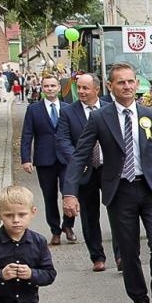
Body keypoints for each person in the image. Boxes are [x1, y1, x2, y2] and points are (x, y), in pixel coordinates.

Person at [60, 64, 152, 303]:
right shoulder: (101, 118)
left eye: (130, 82)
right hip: (120, 190)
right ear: (110, 87)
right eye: (121, 83)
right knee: (129, 249)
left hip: (151, 190)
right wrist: (69, 192)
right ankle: (141, 301)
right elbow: (80, 155)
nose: (127, 87)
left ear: (137, 84)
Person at [54, 74, 109, 273]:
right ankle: (97, 257)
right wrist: (78, 159)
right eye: (80, 88)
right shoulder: (68, 112)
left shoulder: (108, 109)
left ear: (97, 89)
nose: (82, 92)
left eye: (86, 88)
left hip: (108, 168)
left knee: (119, 213)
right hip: (85, 170)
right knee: (89, 216)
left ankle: (121, 255)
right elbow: (62, 140)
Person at [21, 75, 75, 245]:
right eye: (46, 86)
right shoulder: (34, 110)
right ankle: (55, 230)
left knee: (69, 193)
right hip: (45, 159)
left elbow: (75, 134)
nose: (50, 89)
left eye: (53, 86)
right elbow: (27, 134)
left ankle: (68, 226)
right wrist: (25, 159)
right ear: (42, 88)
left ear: (59, 88)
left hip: (66, 159)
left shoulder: (68, 108)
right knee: (49, 196)